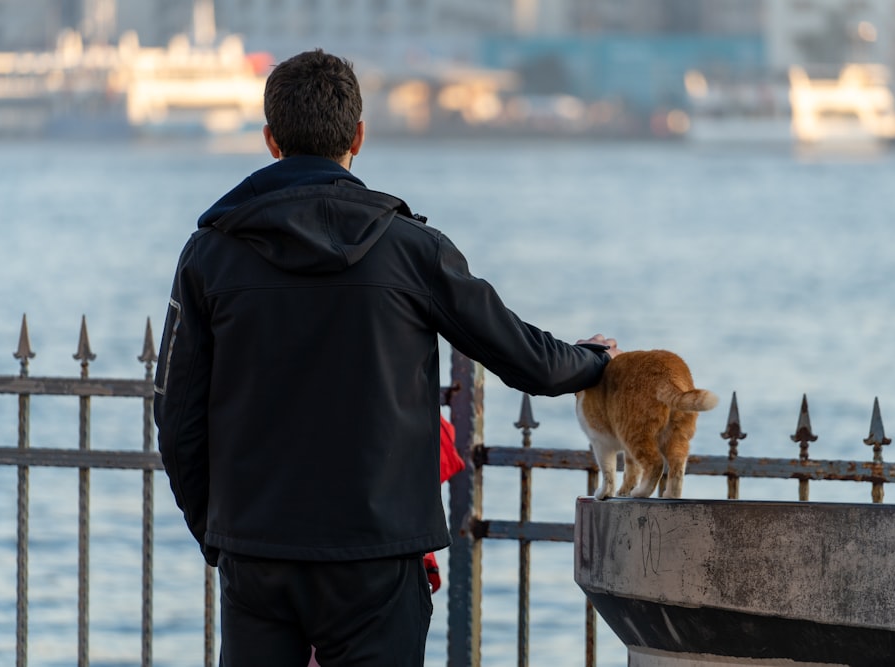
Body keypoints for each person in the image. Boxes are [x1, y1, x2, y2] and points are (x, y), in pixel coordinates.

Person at [153, 48, 620, 667]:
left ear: (270, 140)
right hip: (377, 553)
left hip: (257, 549)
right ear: (358, 137)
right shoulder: (412, 251)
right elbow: (519, 355)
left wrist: (218, 533)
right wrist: (591, 363)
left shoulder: (210, 255)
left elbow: (177, 418)